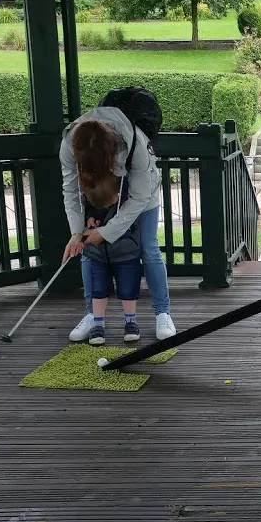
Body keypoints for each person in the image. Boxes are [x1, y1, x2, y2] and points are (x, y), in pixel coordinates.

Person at [60, 107, 177, 341]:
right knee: (88, 251)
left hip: (141, 195)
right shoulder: (69, 145)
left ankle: (162, 313)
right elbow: (71, 190)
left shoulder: (133, 143)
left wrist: (106, 232)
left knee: (148, 249)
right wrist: (76, 231)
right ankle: (93, 315)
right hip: (97, 193)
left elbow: (140, 197)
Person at [81, 172, 143, 345]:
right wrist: (90, 218)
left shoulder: (128, 197)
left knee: (128, 288)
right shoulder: (93, 192)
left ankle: (130, 321)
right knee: (98, 288)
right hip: (98, 253)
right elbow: (87, 206)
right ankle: (98, 323)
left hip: (126, 252)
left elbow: (130, 216)